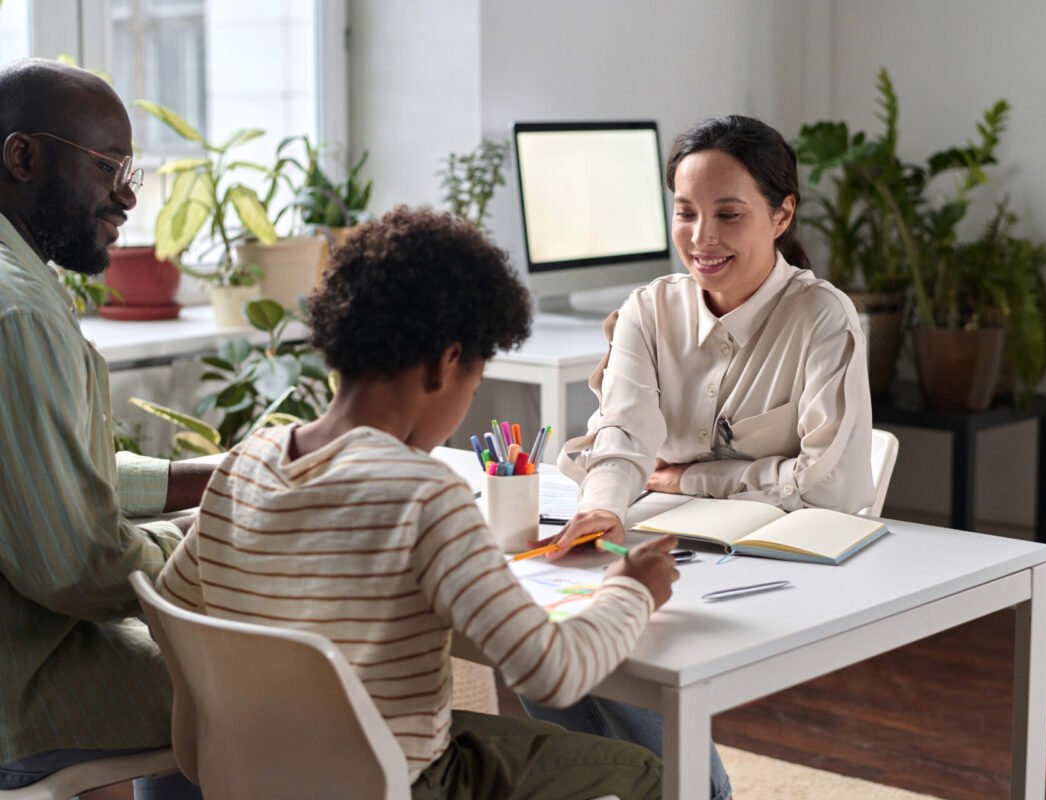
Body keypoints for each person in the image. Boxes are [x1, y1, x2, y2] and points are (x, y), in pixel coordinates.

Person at [156, 206, 680, 799]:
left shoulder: (246, 461)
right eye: (474, 385)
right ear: (446, 363)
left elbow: (174, 606)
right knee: (649, 771)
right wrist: (631, 590)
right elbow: (553, 671)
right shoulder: (424, 493)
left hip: (254, 771)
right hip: (395, 781)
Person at [525, 114, 876, 799]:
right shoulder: (648, 310)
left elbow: (831, 488)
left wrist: (694, 477)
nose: (702, 237)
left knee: (599, 646)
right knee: (545, 640)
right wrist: (600, 511)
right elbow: (623, 433)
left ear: (782, 215)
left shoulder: (822, 318)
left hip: (775, 566)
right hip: (664, 541)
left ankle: (687, 789)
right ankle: (656, 786)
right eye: (686, 213)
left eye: (728, 214)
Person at [0, 59, 214, 796]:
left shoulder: (18, 279)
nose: (126, 195)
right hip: (21, 692)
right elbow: (77, 565)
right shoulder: (17, 310)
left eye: (132, 170)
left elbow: (34, 478)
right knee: (294, 670)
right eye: (108, 166)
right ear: (22, 156)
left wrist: (208, 477)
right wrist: (217, 541)